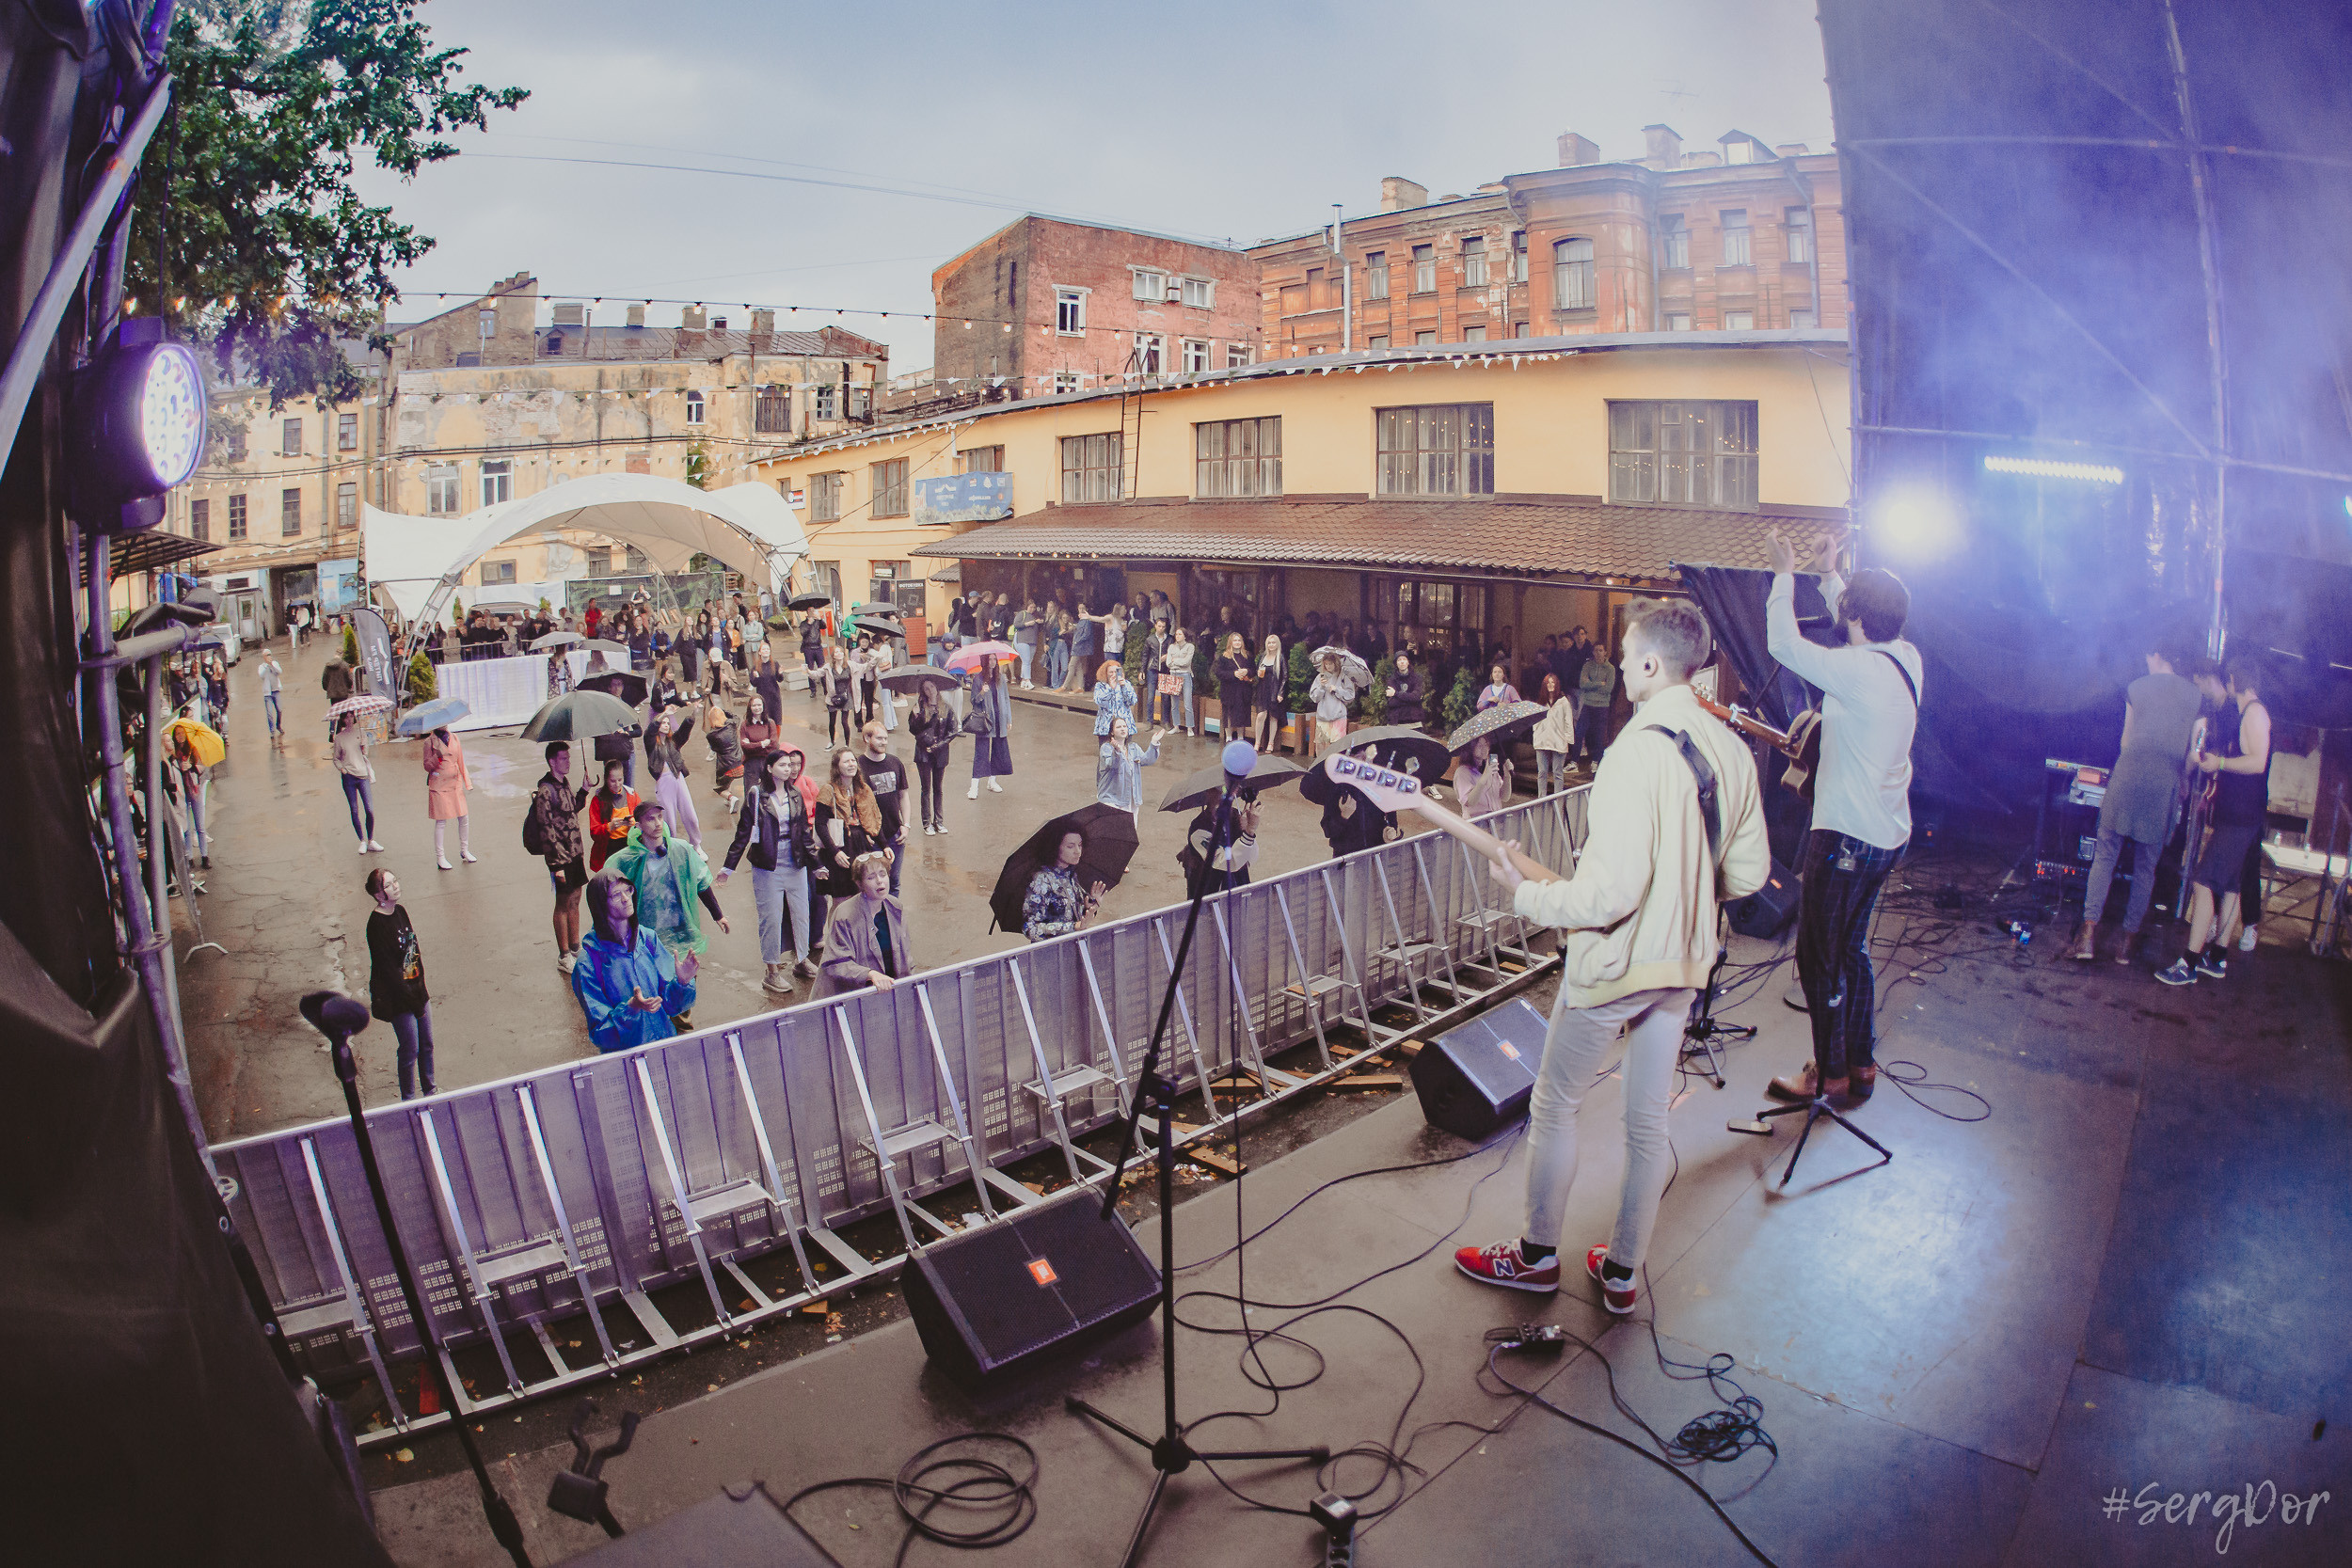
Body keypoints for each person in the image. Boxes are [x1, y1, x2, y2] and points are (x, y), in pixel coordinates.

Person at [1391, 599, 1766, 1312]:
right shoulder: (1731, 749)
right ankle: (1622, 1274)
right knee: (1647, 1121)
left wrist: (1525, 898)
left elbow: (1602, 898)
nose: (1619, 664)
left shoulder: (1634, 752)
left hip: (1614, 968)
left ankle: (1535, 1257)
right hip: (1686, 964)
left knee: (1556, 1103)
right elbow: (1744, 878)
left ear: (1653, 664)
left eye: (1626, 654)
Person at [1762, 530, 1922, 1107]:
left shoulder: (1856, 671)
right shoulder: (1904, 659)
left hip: (1845, 840)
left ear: (1854, 614)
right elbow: (1857, 621)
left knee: (1817, 959)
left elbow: (1782, 644)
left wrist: (1784, 574)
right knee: (1850, 950)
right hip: (1886, 838)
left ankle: (1826, 1075)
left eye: (1846, 597)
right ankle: (1860, 1064)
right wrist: (1831, 575)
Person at [2071, 644, 2201, 964]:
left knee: (2105, 856)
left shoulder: (2136, 688)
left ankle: (2087, 935)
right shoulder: (2196, 696)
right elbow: (2194, 749)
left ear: (2158, 654)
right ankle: (2127, 944)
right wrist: (2183, 778)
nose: (2144, 659)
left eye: (2147, 654)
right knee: (2146, 867)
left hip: (2128, 776)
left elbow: (2125, 741)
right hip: (2163, 784)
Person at [2158, 656, 2271, 986]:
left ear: (2234, 679)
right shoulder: (2247, 712)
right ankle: (2217, 958)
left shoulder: (2254, 711)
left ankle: (2188, 963)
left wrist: (2219, 762)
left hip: (2241, 816)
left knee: (2203, 881)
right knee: (2232, 887)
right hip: (2241, 815)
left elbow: (2258, 763)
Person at [608, 800, 726, 1030]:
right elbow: (609, 898)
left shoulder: (681, 850)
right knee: (653, 993)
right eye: (650, 819)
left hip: (679, 934)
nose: (657, 823)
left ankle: (681, 1033)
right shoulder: (625, 859)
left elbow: (702, 883)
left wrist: (718, 915)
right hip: (645, 940)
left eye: (660, 817)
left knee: (682, 992)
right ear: (639, 824)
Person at [720, 749, 819, 993]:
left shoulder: (795, 793)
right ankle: (772, 972)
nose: (789, 769)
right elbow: (743, 831)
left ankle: (802, 959)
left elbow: (805, 834)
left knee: (801, 913)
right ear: (769, 768)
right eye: (783, 765)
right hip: (767, 865)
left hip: (794, 862)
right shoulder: (757, 795)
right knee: (771, 918)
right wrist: (728, 867)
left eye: (790, 765)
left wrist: (818, 864)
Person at [572, 871, 697, 1052]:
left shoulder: (647, 939)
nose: (625, 898)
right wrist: (631, 1008)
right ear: (600, 905)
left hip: (663, 1048)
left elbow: (670, 1005)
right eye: (616, 894)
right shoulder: (588, 963)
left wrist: (682, 982)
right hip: (627, 1060)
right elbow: (601, 1033)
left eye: (628, 890)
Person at [364, 868, 437, 1100]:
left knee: (427, 1044)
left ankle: (430, 1089)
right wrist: (411, 999)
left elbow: (412, 951)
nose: (396, 885)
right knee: (410, 1049)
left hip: (416, 989)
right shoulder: (376, 925)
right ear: (379, 894)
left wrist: (419, 987)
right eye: (390, 884)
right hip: (398, 998)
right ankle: (408, 1098)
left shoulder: (401, 911)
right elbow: (388, 969)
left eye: (396, 880)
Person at [530, 741, 590, 974]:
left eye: (568, 757)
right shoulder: (546, 790)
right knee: (563, 903)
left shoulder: (563, 783)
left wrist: (583, 790)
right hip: (560, 858)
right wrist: (557, 865)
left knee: (575, 897)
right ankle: (564, 954)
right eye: (564, 758)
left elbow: (572, 809)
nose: (568, 761)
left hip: (575, 853)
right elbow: (546, 829)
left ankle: (575, 947)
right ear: (552, 761)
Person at [815, 747, 887, 942]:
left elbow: (872, 820)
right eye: (846, 761)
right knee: (840, 899)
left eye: (853, 761)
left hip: (860, 846)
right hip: (839, 847)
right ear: (837, 767)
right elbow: (820, 825)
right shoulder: (828, 790)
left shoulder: (863, 789)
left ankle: (858, 938)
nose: (851, 764)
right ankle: (835, 941)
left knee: (861, 895)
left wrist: (884, 845)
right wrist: (835, 852)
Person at [818, 851, 912, 997]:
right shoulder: (845, 916)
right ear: (859, 884)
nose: (880, 881)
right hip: (857, 997)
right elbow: (835, 963)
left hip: (891, 991)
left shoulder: (895, 907)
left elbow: (905, 957)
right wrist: (870, 974)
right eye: (871, 877)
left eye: (883, 874)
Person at [856, 719, 912, 896]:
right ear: (867, 738)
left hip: (895, 834)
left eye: (886, 739)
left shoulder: (895, 763)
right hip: (872, 839)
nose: (884, 742)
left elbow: (903, 795)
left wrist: (907, 824)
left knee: (893, 882)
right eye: (879, 738)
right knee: (872, 885)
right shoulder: (858, 767)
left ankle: (892, 921)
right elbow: (854, 803)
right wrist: (863, 831)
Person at [1022, 830, 1107, 942]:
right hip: (1050, 953)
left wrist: (1090, 907)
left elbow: (1076, 918)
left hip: (1075, 946)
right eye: (1070, 846)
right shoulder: (1041, 880)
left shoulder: (1071, 875)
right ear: (1055, 848)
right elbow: (1030, 929)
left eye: (1080, 845)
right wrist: (1073, 927)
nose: (1078, 851)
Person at [1180, 793, 1263, 897]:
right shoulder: (1199, 829)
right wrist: (1249, 831)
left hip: (1239, 886)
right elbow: (1225, 862)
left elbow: (1250, 858)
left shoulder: (1235, 816)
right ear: (1208, 793)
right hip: (1210, 896)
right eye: (1221, 789)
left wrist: (1246, 830)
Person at [420, 725, 475, 871]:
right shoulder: (429, 742)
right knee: (441, 821)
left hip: (455, 783)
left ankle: (464, 850)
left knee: (464, 817)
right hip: (439, 784)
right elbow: (426, 765)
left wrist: (467, 782)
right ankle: (440, 857)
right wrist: (436, 756)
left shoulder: (455, 737)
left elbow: (461, 761)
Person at [911, 678, 957, 835]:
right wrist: (916, 716)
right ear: (923, 692)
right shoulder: (919, 708)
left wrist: (939, 745)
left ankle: (939, 821)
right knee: (926, 788)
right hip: (923, 754)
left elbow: (953, 731)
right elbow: (913, 731)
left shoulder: (946, 708)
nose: (930, 691)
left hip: (940, 753)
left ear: (937, 688)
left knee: (938, 788)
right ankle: (927, 823)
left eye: (932, 687)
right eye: (926, 688)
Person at [1096, 716, 1165, 818]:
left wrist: (1154, 743)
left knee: (1130, 832)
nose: (1123, 729)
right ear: (1112, 732)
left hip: (1132, 799)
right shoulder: (1106, 748)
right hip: (1111, 799)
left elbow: (1147, 759)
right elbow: (1113, 764)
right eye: (1119, 727)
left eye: (1125, 726)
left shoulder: (1134, 748)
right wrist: (1117, 752)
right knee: (1113, 832)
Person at [332, 712, 382, 853]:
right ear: (342, 719)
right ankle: (362, 840)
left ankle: (371, 839)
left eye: (351, 716)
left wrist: (363, 746)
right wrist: (342, 769)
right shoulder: (339, 738)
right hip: (349, 777)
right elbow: (336, 758)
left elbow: (365, 753)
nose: (349, 719)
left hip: (362, 775)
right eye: (346, 717)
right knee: (354, 809)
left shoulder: (361, 733)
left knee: (369, 809)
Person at [965, 656, 1012, 799]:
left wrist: (1008, 718)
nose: (993, 662)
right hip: (985, 721)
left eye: (994, 659)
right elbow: (974, 701)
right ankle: (974, 787)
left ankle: (992, 781)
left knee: (999, 751)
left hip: (1000, 719)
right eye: (990, 659)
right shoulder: (978, 679)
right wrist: (981, 693)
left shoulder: (1001, 678)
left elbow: (1006, 698)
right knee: (981, 753)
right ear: (984, 661)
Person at [587, 758, 640, 874]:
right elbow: (593, 831)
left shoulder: (632, 795)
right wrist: (608, 827)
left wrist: (635, 824)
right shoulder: (598, 800)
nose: (617, 784)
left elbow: (643, 822)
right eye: (612, 781)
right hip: (609, 849)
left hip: (629, 846)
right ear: (606, 779)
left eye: (620, 780)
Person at [1308, 652, 1359, 762]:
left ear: (1336, 663)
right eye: (1326, 664)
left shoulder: (1344, 677)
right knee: (1320, 744)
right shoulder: (1320, 677)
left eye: (1330, 664)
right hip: (1323, 716)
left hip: (1338, 716)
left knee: (1338, 745)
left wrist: (1336, 689)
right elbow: (1314, 697)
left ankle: (1335, 765)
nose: (1328, 666)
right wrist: (1321, 687)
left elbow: (1350, 696)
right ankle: (1320, 765)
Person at [1532, 673, 1576, 795]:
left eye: (1553, 683)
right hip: (1542, 740)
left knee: (1558, 772)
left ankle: (1558, 800)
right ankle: (1541, 800)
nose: (1551, 685)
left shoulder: (1563, 701)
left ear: (1557, 685)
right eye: (1548, 683)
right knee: (1542, 772)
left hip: (1558, 740)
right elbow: (1535, 721)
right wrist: (1536, 733)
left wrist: (1568, 739)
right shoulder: (1540, 702)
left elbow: (1568, 720)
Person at [1575, 637, 1616, 766]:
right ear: (1593, 652)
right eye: (1596, 650)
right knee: (1579, 732)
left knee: (1599, 734)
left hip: (1602, 705)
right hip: (1588, 704)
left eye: (1601, 650)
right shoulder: (1588, 665)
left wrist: (1591, 684)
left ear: (1605, 652)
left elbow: (1608, 688)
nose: (1598, 653)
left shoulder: (1610, 669)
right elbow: (1582, 684)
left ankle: (1596, 761)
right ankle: (1574, 761)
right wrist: (1599, 683)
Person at [1211, 632, 1254, 746]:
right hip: (1229, 690)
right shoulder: (1224, 657)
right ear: (1230, 642)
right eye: (1235, 640)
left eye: (1239, 640)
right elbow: (1219, 672)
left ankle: (1240, 737)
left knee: (1242, 713)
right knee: (1228, 713)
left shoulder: (1248, 656)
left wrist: (1247, 672)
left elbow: (1253, 670)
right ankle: (1229, 736)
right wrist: (1233, 674)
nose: (1237, 642)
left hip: (1243, 690)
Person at [704, 696, 745, 815]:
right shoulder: (731, 725)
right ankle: (730, 800)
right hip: (739, 762)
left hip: (726, 767)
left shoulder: (711, 735)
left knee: (719, 787)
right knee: (728, 781)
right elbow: (736, 717)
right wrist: (723, 710)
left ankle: (731, 798)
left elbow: (714, 749)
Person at [1163, 625, 1200, 736]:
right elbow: (1168, 663)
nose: (1177, 636)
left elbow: (1187, 662)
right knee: (1174, 703)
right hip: (1173, 675)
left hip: (1185, 675)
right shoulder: (1171, 647)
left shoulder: (1190, 647)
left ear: (1184, 636)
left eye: (1180, 634)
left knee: (1188, 703)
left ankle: (1189, 728)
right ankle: (1176, 726)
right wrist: (1178, 661)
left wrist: (1176, 661)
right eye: (1176, 634)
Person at [1253, 633, 1286, 752]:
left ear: (1277, 644)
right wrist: (1257, 675)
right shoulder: (1263, 657)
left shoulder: (1280, 658)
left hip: (1274, 690)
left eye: (1273, 643)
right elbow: (1257, 672)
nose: (1271, 645)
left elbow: (1285, 677)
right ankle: (1257, 742)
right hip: (1262, 689)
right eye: (1269, 643)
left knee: (1273, 717)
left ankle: (1271, 743)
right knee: (1261, 715)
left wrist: (1281, 693)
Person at [1091, 657, 1137, 739]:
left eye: (1116, 672)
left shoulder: (1126, 684)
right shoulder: (1100, 686)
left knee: (1125, 751)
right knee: (1106, 750)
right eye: (1111, 672)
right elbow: (1099, 701)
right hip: (1106, 727)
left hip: (1124, 727)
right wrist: (1111, 689)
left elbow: (1132, 701)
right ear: (1105, 673)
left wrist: (1123, 687)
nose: (1113, 674)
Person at [1061, 601, 1100, 692]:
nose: (1081, 610)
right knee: (1078, 667)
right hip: (1077, 647)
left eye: (1083, 608)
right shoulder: (1080, 621)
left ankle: (1064, 686)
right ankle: (1080, 687)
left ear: (1086, 609)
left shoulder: (1087, 621)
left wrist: (1077, 641)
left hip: (1080, 647)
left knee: (1071, 666)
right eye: (1080, 608)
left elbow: (1086, 634)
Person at [1386, 650, 1426, 731]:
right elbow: (1392, 702)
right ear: (1396, 664)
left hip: (1414, 723)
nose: (1402, 662)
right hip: (1396, 723)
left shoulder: (1416, 678)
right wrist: (1409, 699)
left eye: (1404, 659)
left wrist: (1396, 694)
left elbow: (1416, 697)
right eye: (1399, 660)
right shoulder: (1391, 680)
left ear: (1408, 662)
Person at [322, 645, 354, 740]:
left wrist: (328, 689)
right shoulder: (344, 665)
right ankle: (339, 733)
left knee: (334, 712)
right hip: (343, 693)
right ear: (342, 654)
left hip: (332, 694)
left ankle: (331, 732)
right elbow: (349, 679)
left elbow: (324, 680)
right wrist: (348, 687)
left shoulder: (328, 665)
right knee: (342, 713)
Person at [1011, 598, 1042, 689]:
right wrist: (1027, 624)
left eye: (1034, 607)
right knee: (1026, 660)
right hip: (1022, 640)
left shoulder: (1035, 616)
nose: (1032, 609)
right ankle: (1028, 680)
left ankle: (1023, 680)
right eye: (1031, 607)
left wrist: (1039, 622)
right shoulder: (1022, 614)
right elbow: (1016, 624)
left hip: (1032, 641)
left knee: (1028, 661)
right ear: (1027, 606)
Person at [258, 648, 284, 742]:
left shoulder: (275, 663)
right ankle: (272, 730)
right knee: (269, 713)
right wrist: (267, 666)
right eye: (267, 655)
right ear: (264, 657)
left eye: (270, 654)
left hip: (276, 690)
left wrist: (272, 665)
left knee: (279, 710)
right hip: (267, 693)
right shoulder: (262, 667)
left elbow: (279, 672)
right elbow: (261, 676)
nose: (269, 656)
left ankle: (278, 725)